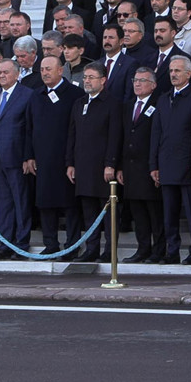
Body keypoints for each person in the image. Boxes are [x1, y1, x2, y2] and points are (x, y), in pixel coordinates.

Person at [24, 56, 85, 259]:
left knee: (69, 205)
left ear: (61, 70)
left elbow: (77, 129)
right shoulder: (36, 95)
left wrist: (73, 160)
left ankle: (72, 245)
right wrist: (29, 156)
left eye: (49, 69)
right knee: (45, 202)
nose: (45, 73)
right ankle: (50, 244)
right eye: (42, 69)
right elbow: (28, 128)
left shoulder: (75, 94)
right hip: (42, 159)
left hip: (66, 158)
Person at [150, 55, 191, 264]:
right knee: (169, 214)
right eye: (171, 71)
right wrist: (153, 165)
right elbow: (157, 133)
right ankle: (172, 251)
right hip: (166, 163)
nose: (173, 74)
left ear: (188, 74)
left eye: (177, 71)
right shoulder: (164, 99)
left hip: (188, 164)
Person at [66, 62, 123, 263]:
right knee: (88, 211)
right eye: (85, 77)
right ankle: (91, 248)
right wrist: (70, 163)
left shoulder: (112, 103)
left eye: (91, 77)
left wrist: (111, 163)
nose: (87, 81)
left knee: (107, 211)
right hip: (82, 166)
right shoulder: (79, 103)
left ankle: (109, 250)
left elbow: (115, 136)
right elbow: (72, 134)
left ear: (103, 80)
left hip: (102, 167)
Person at [0, 59, 33, 261]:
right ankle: (5, 244)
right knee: (3, 204)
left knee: (20, 202)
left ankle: (21, 244)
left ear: (17, 74)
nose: (2, 75)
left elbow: (29, 128)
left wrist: (27, 156)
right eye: (0, 72)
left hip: (17, 156)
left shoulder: (27, 95)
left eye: (5, 72)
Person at [118, 68, 164, 263]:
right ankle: (143, 248)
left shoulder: (159, 103)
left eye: (142, 80)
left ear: (153, 85)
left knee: (155, 213)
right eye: (135, 80)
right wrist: (119, 166)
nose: (137, 84)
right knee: (138, 213)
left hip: (150, 167)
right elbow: (122, 136)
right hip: (130, 169)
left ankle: (159, 250)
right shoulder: (128, 106)